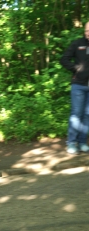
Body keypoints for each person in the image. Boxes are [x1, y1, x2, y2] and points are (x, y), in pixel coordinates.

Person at [60, 22, 89, 154]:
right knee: (76, 114)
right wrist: (76, 68)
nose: (88, 33)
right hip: (78, 85)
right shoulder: (77, 43)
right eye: (87, 31)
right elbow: (64, 59)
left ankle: (82, 142)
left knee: (87, 115)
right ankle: (72, 143)